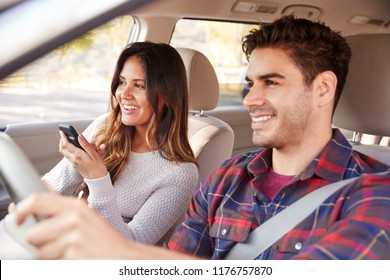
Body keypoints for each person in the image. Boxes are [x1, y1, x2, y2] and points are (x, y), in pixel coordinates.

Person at [14, 15, 390, 259]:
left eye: (271, 83)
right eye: (249, 84)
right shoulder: (228, 178)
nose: (250, 99)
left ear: (323, 88)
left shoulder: (375, 192)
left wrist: (103, 239)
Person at [40, 41, 199, 245]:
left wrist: (97, 178)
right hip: (64, 238)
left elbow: (128, 248)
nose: (123, 94)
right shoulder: (105, 126)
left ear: (167, 95)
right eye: (122, 82)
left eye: (139, 85)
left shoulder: (180, 173)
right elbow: (50, 189)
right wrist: (76, 166)